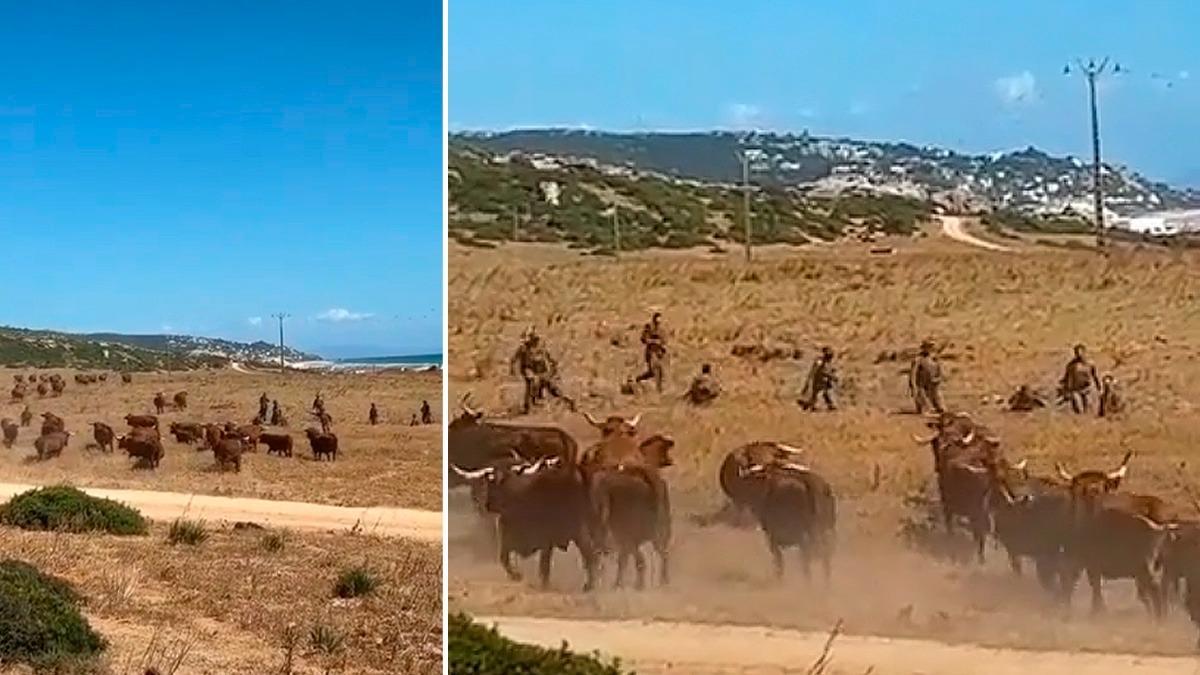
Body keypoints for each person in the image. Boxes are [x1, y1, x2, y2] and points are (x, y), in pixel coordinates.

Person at [513, 329, 576, 414]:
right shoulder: (523, 349)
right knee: (531, 385)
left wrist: (553, 371)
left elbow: (550, 360)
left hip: (542, 373)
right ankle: (528, 407)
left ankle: (569, 402)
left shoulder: (541, 349)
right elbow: (515, 359)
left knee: (553, 389)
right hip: (529, 371)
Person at [1060, 344, 1101, 414]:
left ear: (1085, 352)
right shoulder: (1071, 365)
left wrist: (1098, 387)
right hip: (1076, 389)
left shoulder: (1090, 364)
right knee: (1078, 408)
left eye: (1081, 352)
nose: (1079, 354)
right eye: (1077, 352)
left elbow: (1095, 376)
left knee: (1088, 408)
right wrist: (1065, 389)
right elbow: (1067, 377)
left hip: (1087, 388)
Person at [909, 340, 944, 415]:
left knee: (940, 408)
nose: (930, 349)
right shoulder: (918, 359)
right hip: (921, 386)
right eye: (928, 347)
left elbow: (940, 373)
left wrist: (937, 379)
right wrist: (913, 386)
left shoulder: (935, 359)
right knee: (925, 409)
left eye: (931, 347)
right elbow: (913, 374)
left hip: (932, 386)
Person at [635, 312, 667, 392]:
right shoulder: (649, 327)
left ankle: (659, 390)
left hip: (658, 353)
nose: (659, 321)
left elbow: (664, 340)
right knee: (653, 371)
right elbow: (643, 339)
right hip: (651, 352)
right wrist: (653, 341)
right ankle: (639, 379)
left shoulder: (661, 329)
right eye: (657, 319)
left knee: (660, 371)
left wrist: (662, 347)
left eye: (660, 319)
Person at [799, 346, 838, 411]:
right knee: (817, 394)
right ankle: (808, 405)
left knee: (823, 393)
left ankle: (829, 405)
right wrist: (831, 376)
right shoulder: (820, 361)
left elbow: (826, 370)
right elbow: (820, 371)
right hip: (817, 380)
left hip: (822, 380)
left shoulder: (825, 362)